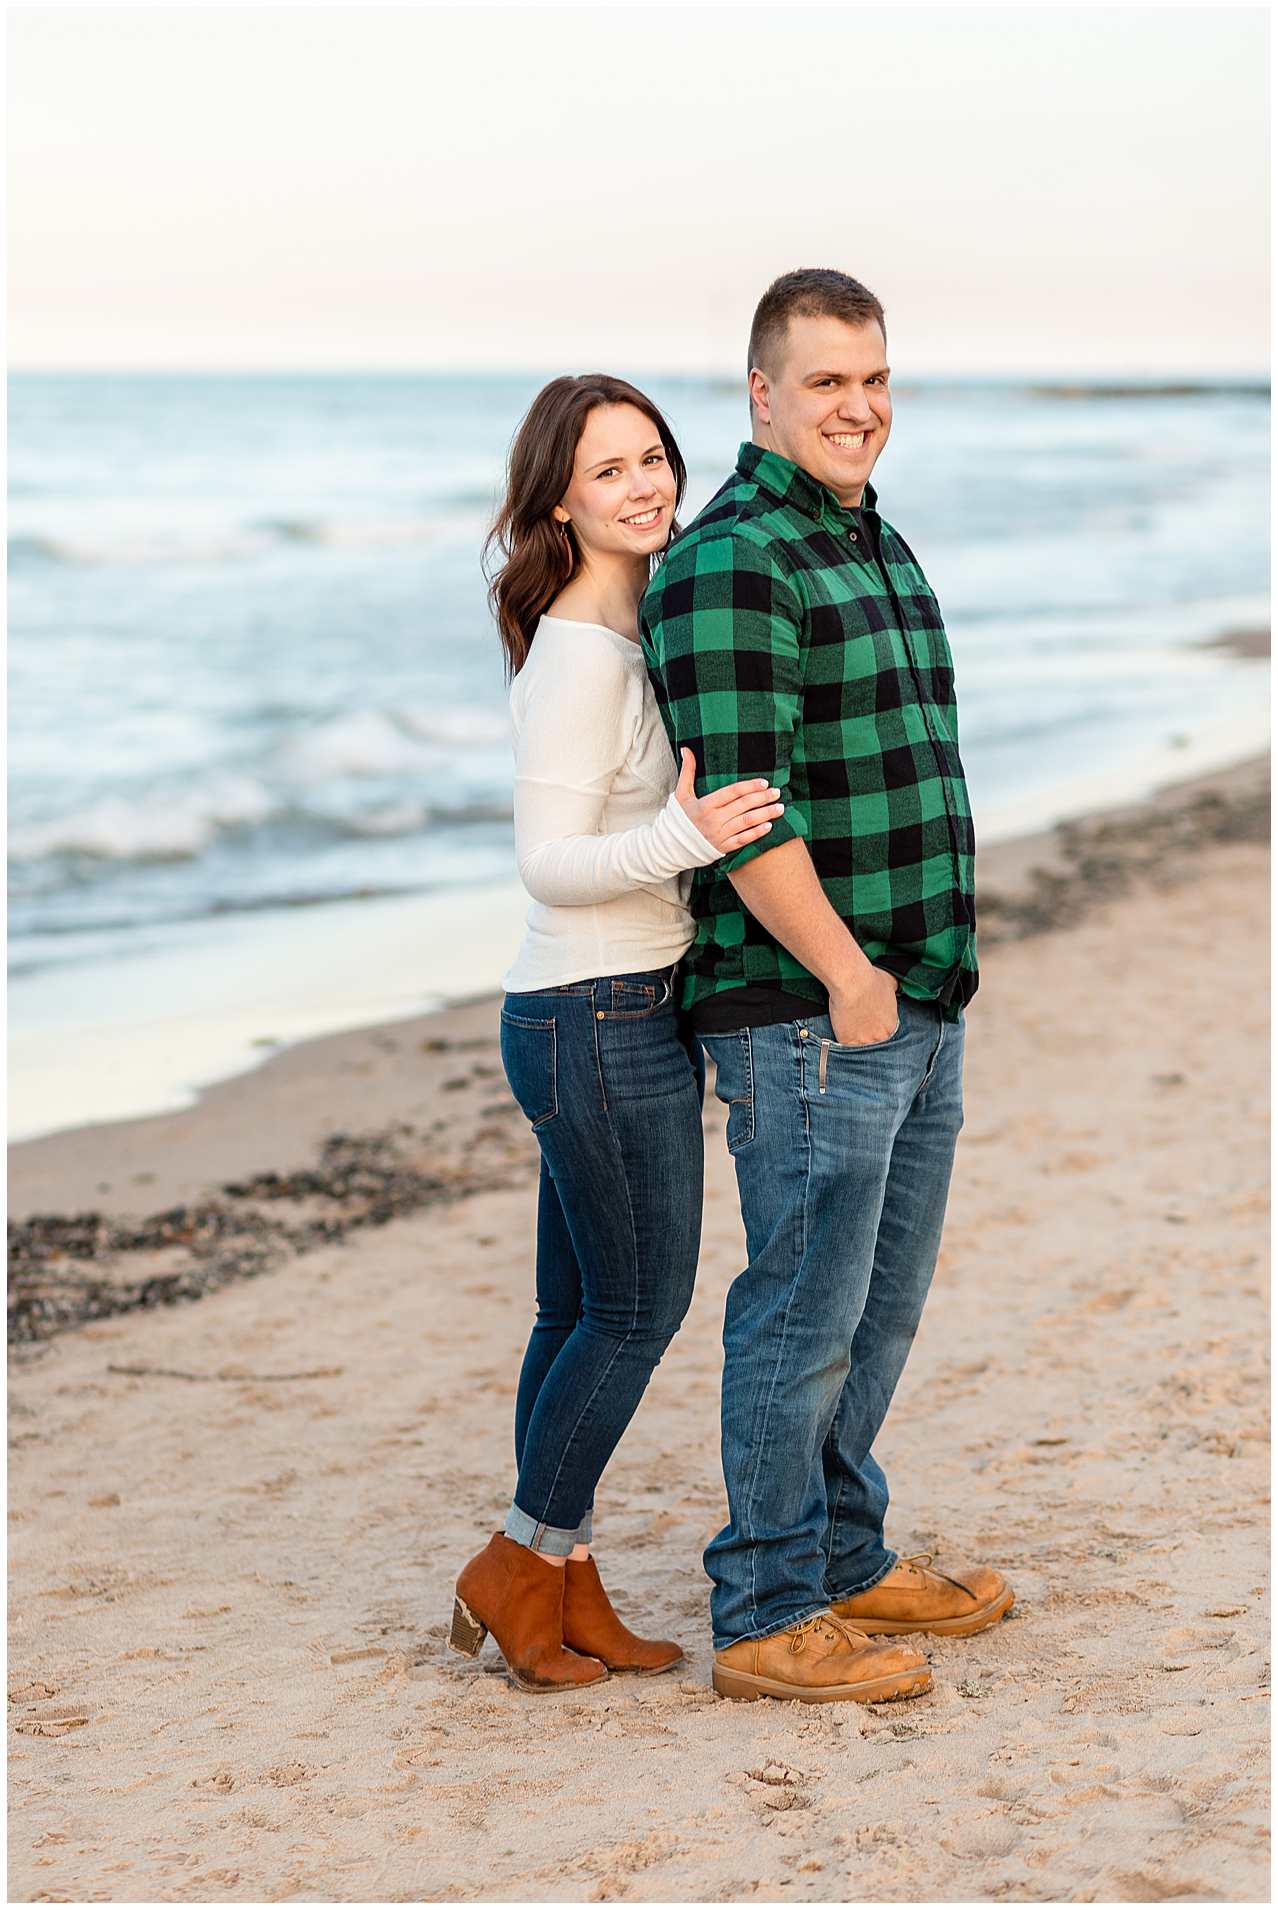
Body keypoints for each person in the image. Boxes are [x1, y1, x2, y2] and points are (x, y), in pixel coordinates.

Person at [641, 269, 1014, 1706]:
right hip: (813, 1009)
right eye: (823, 382)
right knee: (799, 1310)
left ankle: (847, 1560)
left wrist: (912, 985)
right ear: (759, 393)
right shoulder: (734, 558)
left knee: (876, 1308)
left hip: (916, 999)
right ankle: (764, 1610)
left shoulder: (868, 536)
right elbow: (744, 804)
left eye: (872, 379)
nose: (855, 407)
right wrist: (851, 979)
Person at [449, 374, 785, 1694]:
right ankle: (520, 1556)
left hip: (586, 1008)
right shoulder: (581, 656)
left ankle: (566, 1583)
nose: (645, 484)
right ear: (559, 499)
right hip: (597, 1008)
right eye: (609, 470)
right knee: (638, 1307)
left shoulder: (619, 623)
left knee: (576, 1305)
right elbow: (548, 860)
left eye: (654, 457)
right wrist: (690, 837)